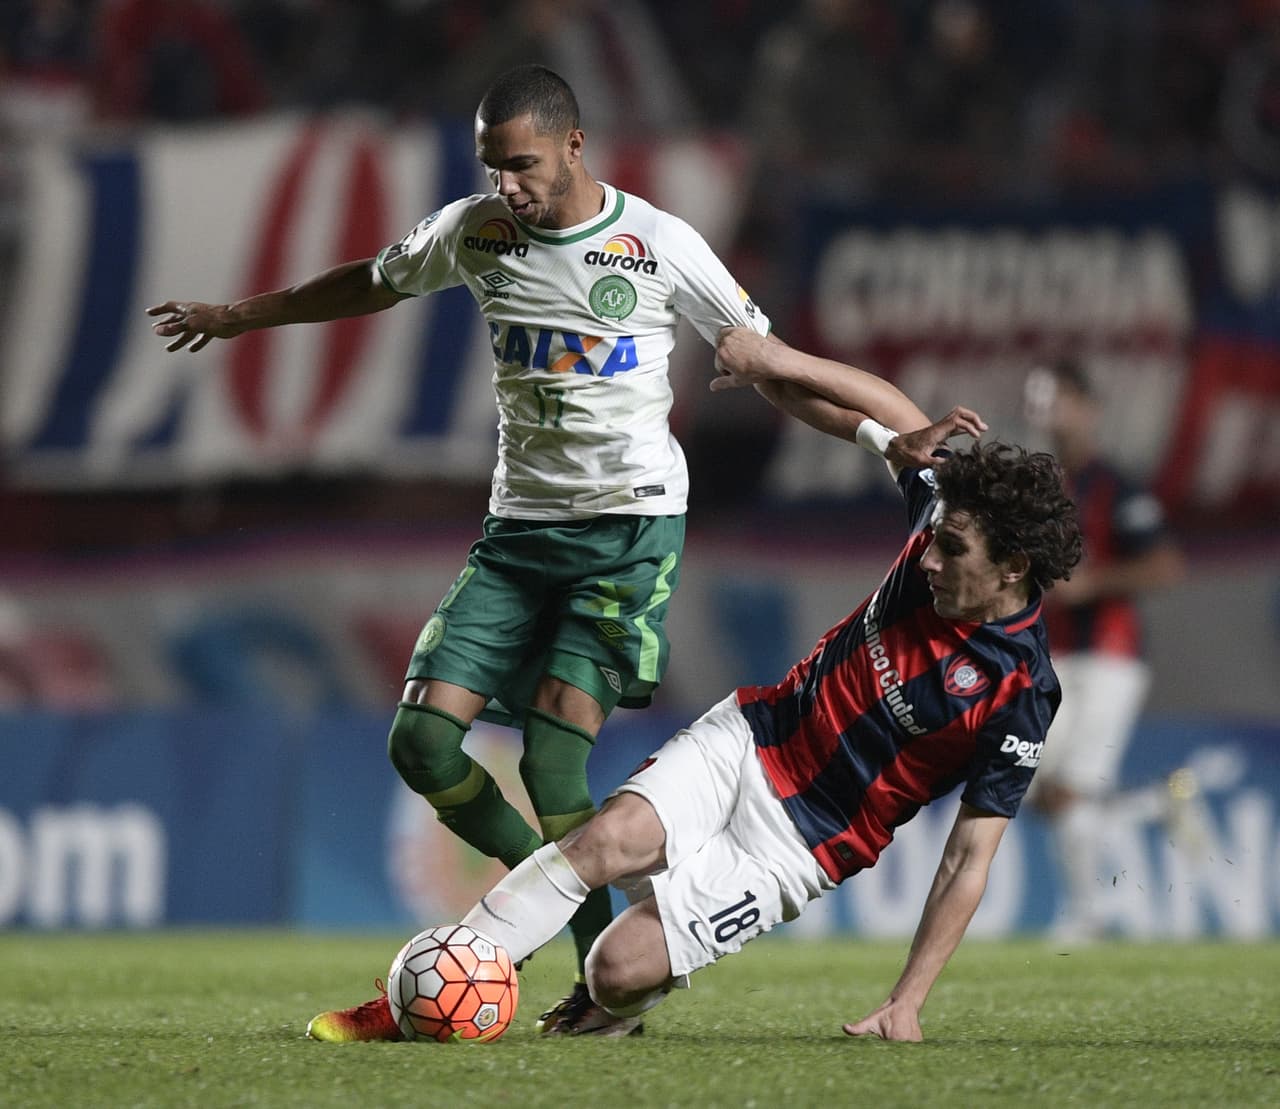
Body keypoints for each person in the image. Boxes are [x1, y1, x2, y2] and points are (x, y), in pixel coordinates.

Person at [148, 64, 772, 1037]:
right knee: (421, 742)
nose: (507, 186)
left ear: (573, 146)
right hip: (518, 533)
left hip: (626, 535)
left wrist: (872, 435)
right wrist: (237, 316)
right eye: (492, 167)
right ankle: (520, 924)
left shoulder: (657, 243)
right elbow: (370, 281)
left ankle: (598, 988)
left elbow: (759, 350)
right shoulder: (474, 230)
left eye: (521, 165)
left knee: (558, 770)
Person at [312, 327, 1083, 1043]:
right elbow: (887, 408)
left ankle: (614, 1006)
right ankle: (424, 991)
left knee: (616, 971)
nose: (929, 559)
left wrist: (908, 997)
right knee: (604, 841)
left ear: (1013, 567)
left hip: (803, 842)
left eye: (952, 551)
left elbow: (968, 856)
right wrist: (776, 360)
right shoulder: (945, 512)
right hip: (753, 737)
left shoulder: (1019, 688)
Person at [1021, 358, 1188, 941]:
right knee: (1033, 785)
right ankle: (1156, 804)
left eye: (1059, 398)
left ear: (1088, 408)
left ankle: (1086, 918)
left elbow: (1165, 565)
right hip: (1056, 656)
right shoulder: (1037, 491)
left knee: (1071, 789)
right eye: (1041, 399)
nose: (1048, 411)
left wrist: (1093, 582)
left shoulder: (1115, 486)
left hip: (1110, 657)